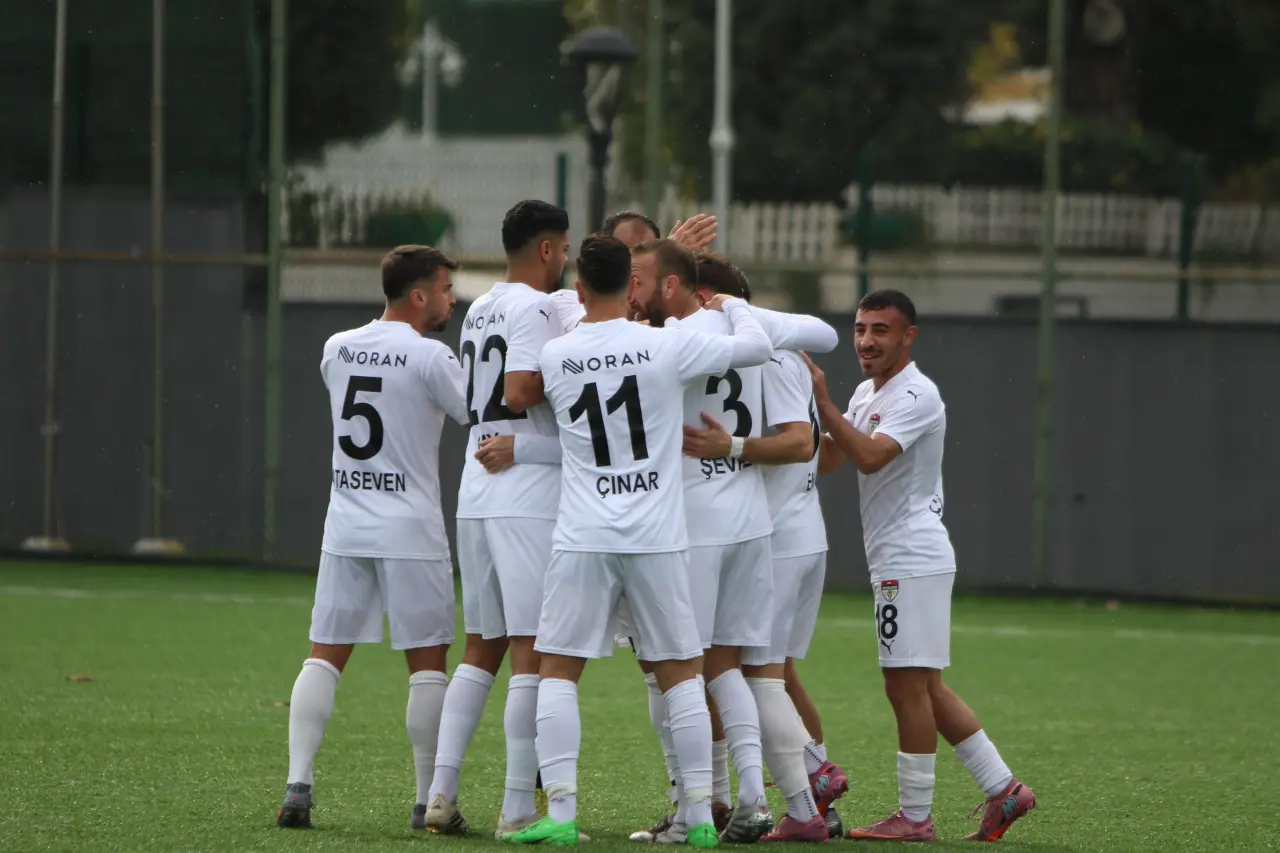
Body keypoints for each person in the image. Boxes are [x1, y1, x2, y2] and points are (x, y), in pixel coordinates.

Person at [502, 234, 773, 848]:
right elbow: (757, 347)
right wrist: (732, 304)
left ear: (578, 289)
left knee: (557, 671)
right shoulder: (665, 343)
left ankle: (561, 814)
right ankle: (699, 819)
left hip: (583, 534)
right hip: (657, 536)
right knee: (681, 674)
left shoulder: (556, 355)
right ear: (633, 286)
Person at [626, 239, 839, 844]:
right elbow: (824, 334)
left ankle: (694, 812)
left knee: (679, 671)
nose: (634, 293)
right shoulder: (749, 331)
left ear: (677, 287)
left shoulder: (671, 339)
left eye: (641, 281)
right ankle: (756, 801)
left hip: (695, 523)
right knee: (730, 670)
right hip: (751, 521)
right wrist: (740, 310)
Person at [804, 289, 1036, 843]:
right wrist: (792, 421)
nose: (866, 341)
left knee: (904, 688)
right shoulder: (867, 391)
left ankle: (914, 817)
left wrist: (823, 403)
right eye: (860, 329)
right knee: (926, 687)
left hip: (909, 557)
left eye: (880, 330)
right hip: (901, 556)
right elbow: (833, 457)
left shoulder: (917, 393)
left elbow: (869, 456)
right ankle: (1004, 789)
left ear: (908, 336)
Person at [277, 245, 468, 829]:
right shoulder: (431, 355)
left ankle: (297, 787)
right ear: (418, 295)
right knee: (428, 662)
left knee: (325, 654)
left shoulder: (337, 347)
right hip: (410, 527)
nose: (451, 299)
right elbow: (474, 412)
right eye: (444, 289)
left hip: (347, 523)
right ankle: (426, 801)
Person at [681, 253, 849, 842]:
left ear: (713, 299)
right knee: (774, 675)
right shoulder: (775, 348)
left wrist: (729, 447)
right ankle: (811, 807)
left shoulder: (767, 356)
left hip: (777, 537)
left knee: (756, 678)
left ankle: (814, 775)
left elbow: (801, 444)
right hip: (797, 531)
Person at [424, 200, 573, 838]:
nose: (565, 260)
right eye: (563, 248)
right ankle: (516, 808)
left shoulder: (480, 305)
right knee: (531, 650)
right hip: (523, 491)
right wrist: (574, 365)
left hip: (476, 489)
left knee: (479, 649)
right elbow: (519, 390)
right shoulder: (537, 306)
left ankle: (439, 792)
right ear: (545, 249)